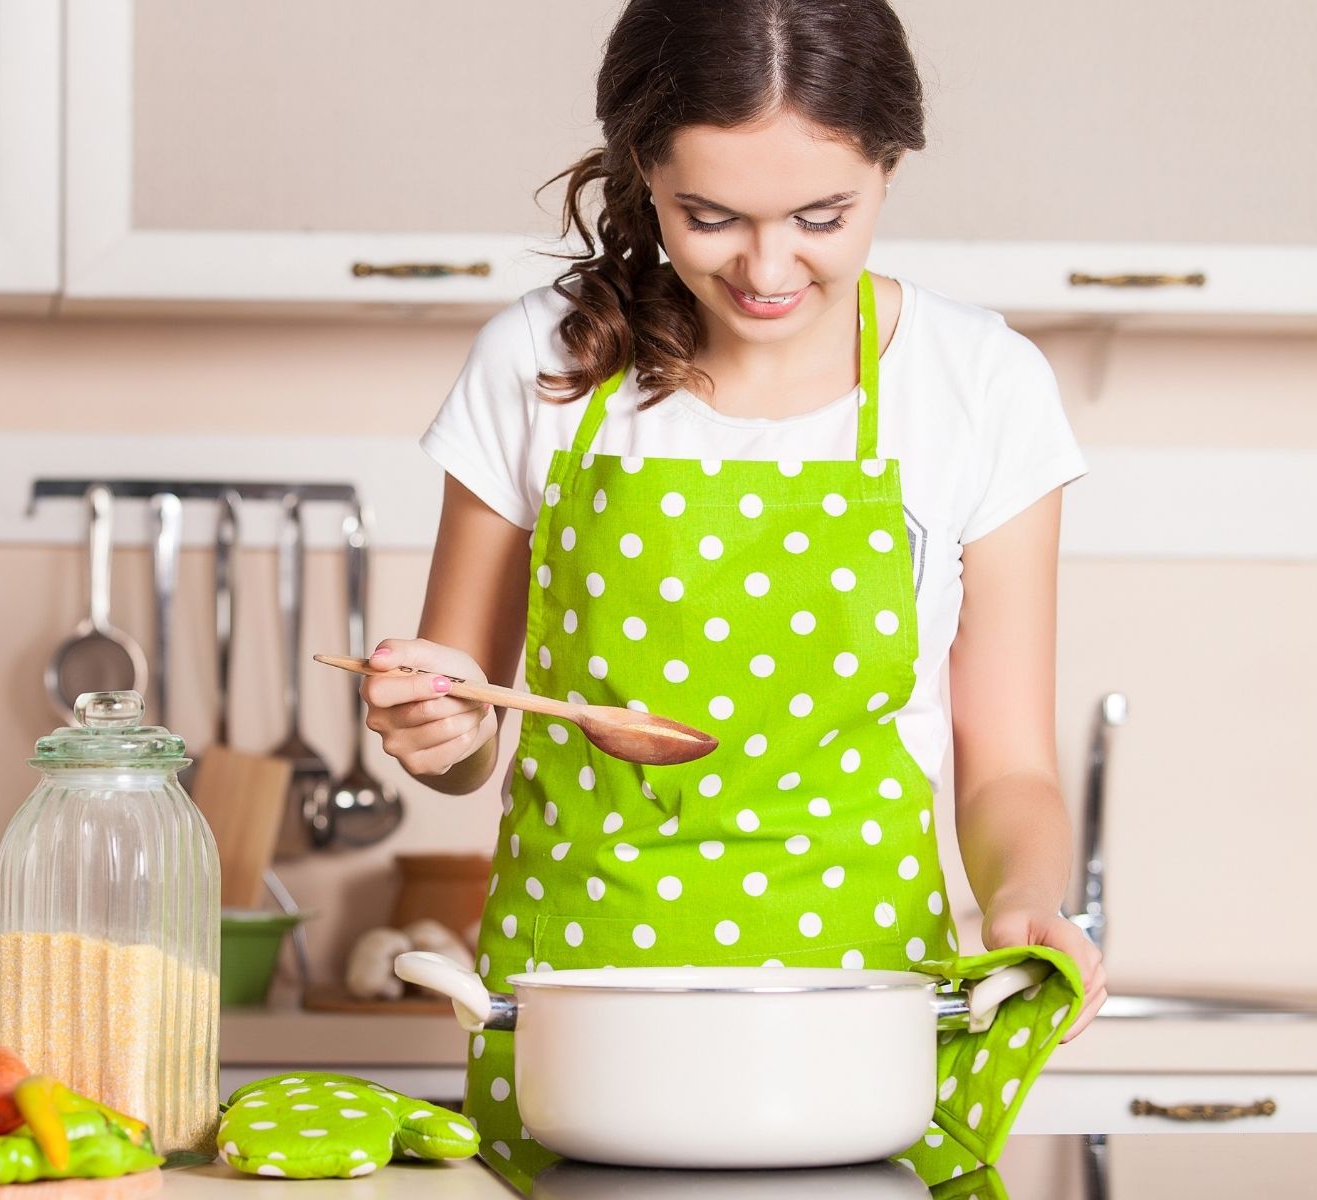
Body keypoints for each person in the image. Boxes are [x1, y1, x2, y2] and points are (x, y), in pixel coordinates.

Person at [358, 0, 1108, 1176]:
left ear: (887, 166)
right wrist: (431, 716)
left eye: (822, 216)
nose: (765, 268)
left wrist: (1020, 897)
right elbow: (463, 737)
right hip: (573, 1016)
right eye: (708, 217)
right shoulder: (541, 359)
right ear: (641, 173)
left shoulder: (979, 387)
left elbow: (1007, 763)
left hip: (852, 1024)